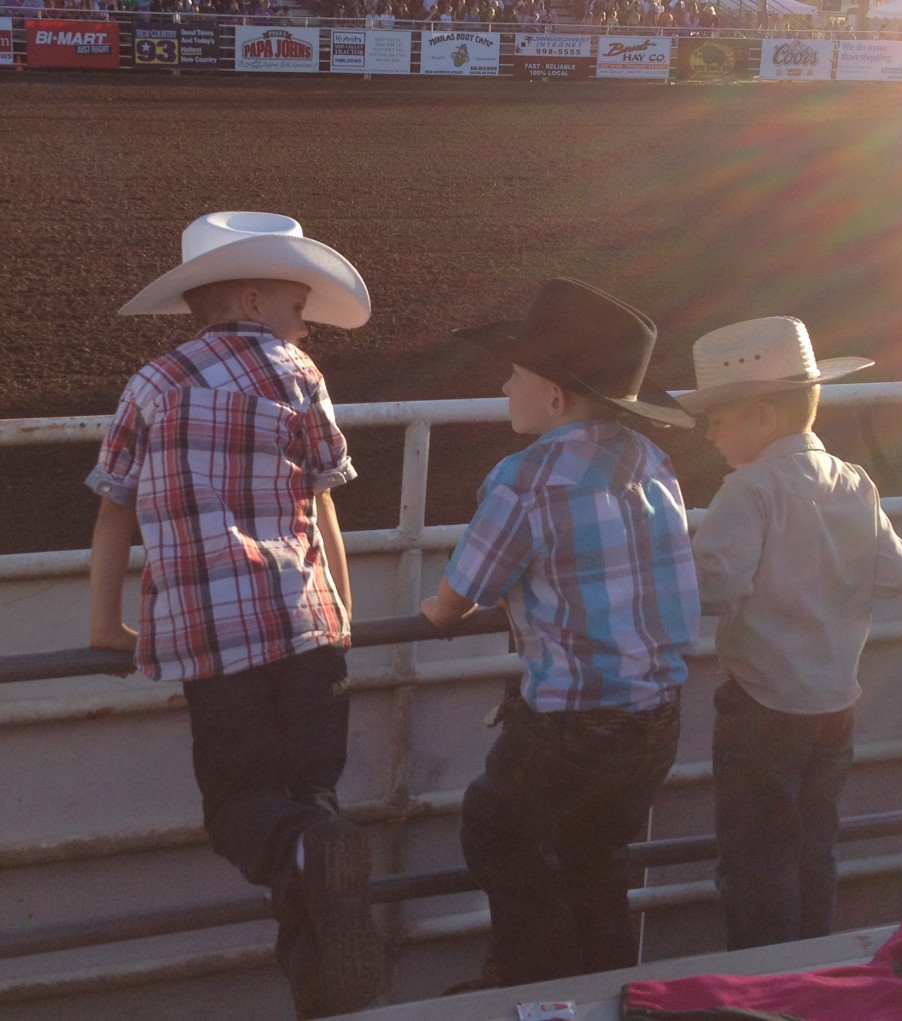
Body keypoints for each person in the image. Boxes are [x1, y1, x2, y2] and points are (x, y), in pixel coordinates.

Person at [85, 211, 386, 1019]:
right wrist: (343, 611)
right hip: (308, 627)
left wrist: (106, 624)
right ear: (252, 300)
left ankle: (302, 858)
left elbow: (114, 510)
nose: (305, 328)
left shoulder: (152, 384)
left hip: (218, 642)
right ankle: (325, 984)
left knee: (241, 810)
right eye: (299, 308)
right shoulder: (298, 375)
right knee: (312, 797)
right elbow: (323, 502)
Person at [420, 277, 701, 988]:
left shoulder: (526, 478)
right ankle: (605, 987)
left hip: (575, 718)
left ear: (552, 395)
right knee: (597, 851)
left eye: (514, 374)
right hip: (657, 709)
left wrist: (429, 614)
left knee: (497, 826)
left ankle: (530, 973)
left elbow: (461, 594)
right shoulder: (649, 460)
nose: (504, 384)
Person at [676, 316, 902, 952]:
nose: (711, 433)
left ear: (760, 416)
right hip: (836, 702)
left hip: (763, 704)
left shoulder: (748, 490)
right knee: (816, 847)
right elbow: (900, 577)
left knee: (756, 858)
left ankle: (765, 983)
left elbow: (712, 590)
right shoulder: (855, 481)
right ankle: (817, 972)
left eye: (718, 418)